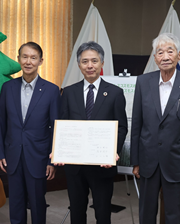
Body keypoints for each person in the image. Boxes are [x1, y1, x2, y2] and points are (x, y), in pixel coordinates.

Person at [130, 33, 180, 224]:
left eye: (170, 51)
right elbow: (137, 125)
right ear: (155, 58)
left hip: (177, 162)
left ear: (179, 55)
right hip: (148, 161)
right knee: (146, 213)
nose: (165, 56)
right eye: (160, 52)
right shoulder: (143, 82)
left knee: (174, 215)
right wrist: (135, 161)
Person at [58, 41, 128, 224]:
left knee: (103, 213)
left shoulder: (115, 93)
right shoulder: (68, 93)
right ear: (79, 65)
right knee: (77, 211)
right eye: (85, 61)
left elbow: (121, 127)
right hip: (75, 166)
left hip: (102, 165)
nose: (90, 65)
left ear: (102, 63)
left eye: (94, 61)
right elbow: (63, 125)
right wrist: (60, 149)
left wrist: (113, 153)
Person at [0, 42, 60, 224]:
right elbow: (1, 122)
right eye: (24, 57)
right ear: (18, 59)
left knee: (38, 203)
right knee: (15, 203)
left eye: (33, 57)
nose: (28, 61)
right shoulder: (8, 88)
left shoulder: (52, 91)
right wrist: (0, 153)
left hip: (38, 157)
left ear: (41, 61)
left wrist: (51, 160)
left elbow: (55, 127)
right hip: (13, 155)